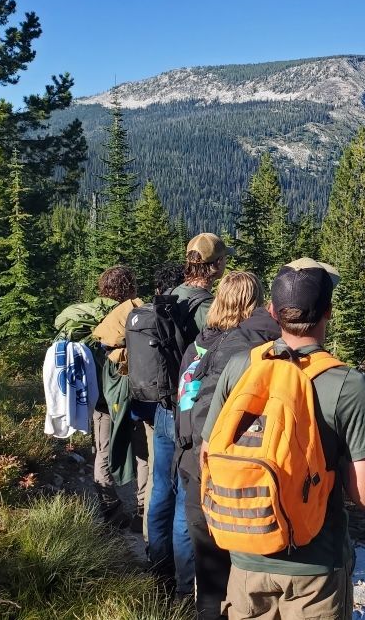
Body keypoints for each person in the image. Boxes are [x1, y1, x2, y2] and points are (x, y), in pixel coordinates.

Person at [201, 258, 365, 620]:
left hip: (244, 556)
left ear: (272, 311)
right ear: (327, 312)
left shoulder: (242, 366)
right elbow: (364, 495)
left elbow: (209, 453)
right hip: (315, 566)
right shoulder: (347, 384)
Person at [176, 271, 280, 620]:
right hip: (234, 470)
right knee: (241, 572)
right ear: (253, 303)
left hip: (192, 462)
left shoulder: (198, 345)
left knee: (209, 573)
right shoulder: (253, 349)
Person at [146, 233, 232, 596]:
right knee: (186, 497)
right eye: (223, 260)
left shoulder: (171, 296)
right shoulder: (204, 306)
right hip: (189, 412)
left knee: (160, 488)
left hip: (163, 407)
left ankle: (157, 568)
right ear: (213, 266)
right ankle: (184, 589)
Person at [88, 266, 148, 526]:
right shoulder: (133, 312)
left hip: (101, 398)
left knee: (103, 450)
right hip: (131, 392)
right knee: (142, 452)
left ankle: (110, 508)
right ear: (129, 286)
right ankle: (143, 509)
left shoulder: (91, 315)